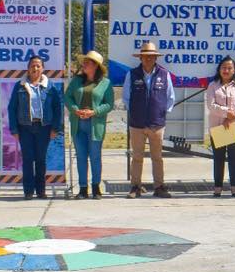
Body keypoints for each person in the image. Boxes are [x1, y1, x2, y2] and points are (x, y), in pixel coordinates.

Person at [124, 41, 176, 199]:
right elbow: (126, 97)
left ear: (155, 58)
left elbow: (170, 97)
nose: (148, 59)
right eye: (145, 56)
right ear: (140, 58)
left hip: (157, 124)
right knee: (137, 157)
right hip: (137, 124)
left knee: (157, 157)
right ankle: (135, 187)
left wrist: (161, 113)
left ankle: (159, 187)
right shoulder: (132, 74)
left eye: (151, 57)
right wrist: (134, 112)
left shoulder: (164, 74)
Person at [7, 55, 62, 200]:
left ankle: (41, 190)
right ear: (28, 68)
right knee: (27, 159)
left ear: (42, 68)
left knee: (41, 159)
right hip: (25, 128)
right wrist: (14, 129)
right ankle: (28, 191)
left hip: (44, 127)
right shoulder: (20, 85)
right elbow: (12, 108)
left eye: (38, 65)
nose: (35, 68)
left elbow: (57, 108)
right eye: (32, 65)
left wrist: (55, 128)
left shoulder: (50, 86)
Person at [64, 51, 114, 199]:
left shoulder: (106, 83)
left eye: (88, 62)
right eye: (84, 62)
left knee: (95, 156)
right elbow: (68, 97)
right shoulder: (76, 81)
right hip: (78, 124)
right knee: (80, 156)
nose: (84, 64)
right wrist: (75, 110)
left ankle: (96, 187)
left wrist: (94, 112)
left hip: (95, 125)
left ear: (96, 66)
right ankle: (83, 188)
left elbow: (109, 104)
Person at [204, 56, 235, 197]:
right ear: (219, 69)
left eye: (230, 68)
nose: (226, 70)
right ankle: (218, 187)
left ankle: (234, 187)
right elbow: (211, 105)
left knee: (234, 159)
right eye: (224, 67)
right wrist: (226, 114)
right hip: (218, 128)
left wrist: (231, 118)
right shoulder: (213, 85)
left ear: (234, 70)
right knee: (219, 158)